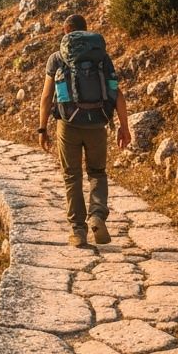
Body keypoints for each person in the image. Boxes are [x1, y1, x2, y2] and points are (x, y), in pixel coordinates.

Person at [38, 13, 132, 247]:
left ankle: (78, 230)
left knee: (72, 176)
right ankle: (97, 215)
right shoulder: (101, 57)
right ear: (86, 30)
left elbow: (47, 96)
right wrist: (124, 127)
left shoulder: (56, 58)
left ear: (66, 31)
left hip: (68, 125)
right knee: (97, 173)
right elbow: (116, 93)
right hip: (97, 124)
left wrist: (42, 129)